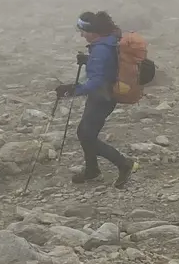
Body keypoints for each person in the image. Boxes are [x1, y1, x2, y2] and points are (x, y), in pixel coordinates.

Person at [56, 10, 135, 188]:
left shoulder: (100, 50)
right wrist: (88, 60)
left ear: (93, 31)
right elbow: (107, 67)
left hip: (102, 97)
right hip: (105, 96)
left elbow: (97, 80)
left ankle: (123, 164)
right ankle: (92, 170)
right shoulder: (108, 42)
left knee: (87, 136)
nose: (82, 35)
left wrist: (73, 90)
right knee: (85, 133)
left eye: (83, 31)